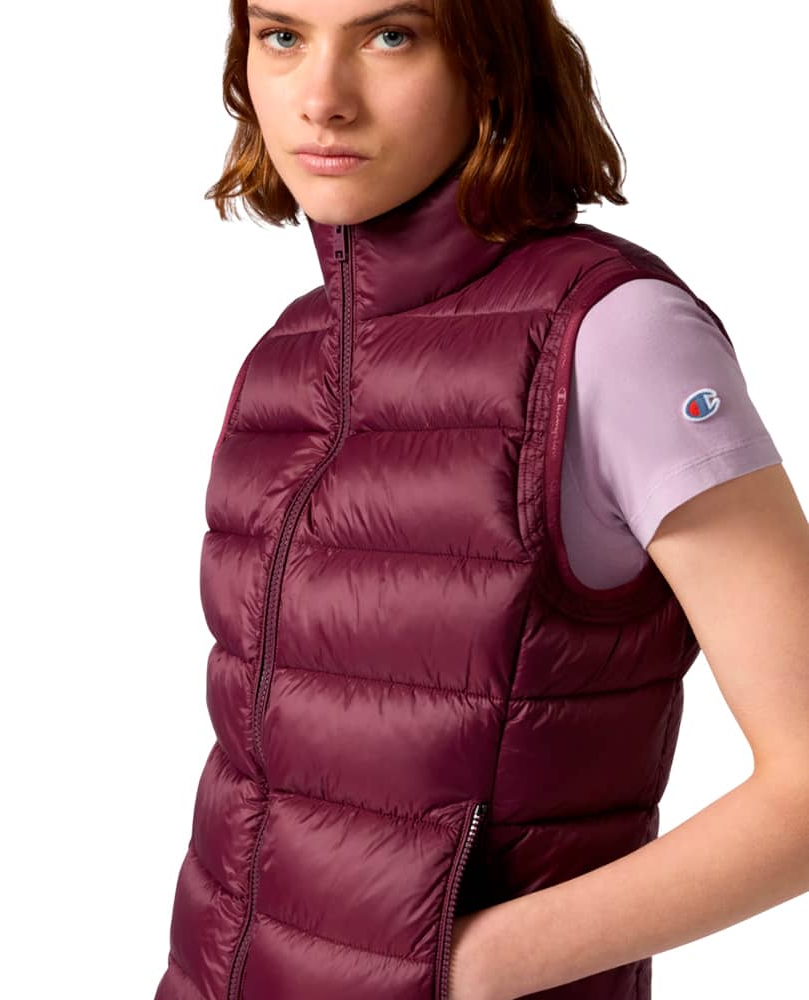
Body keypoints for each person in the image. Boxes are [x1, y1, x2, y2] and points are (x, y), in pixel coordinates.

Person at [153, 2, 809, 999]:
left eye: (391, 35)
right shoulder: (285, 358)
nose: (322, 98)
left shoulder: (614, 336)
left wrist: (471, 969)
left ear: (490, 58)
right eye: (282, 35)